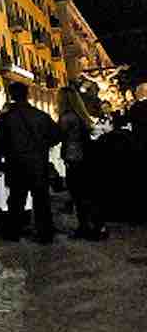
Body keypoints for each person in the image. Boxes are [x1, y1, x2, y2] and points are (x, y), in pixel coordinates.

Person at [0, 82, 62, 243]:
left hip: (15, 164)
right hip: (38, 164)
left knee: (16, 200)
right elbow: (57, 135)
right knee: (41, 201)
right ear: (27, 94)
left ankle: (13, 232)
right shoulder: (41, 115)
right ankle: (45, 233)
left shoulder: (5, 118)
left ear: (11, 96)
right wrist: (43, 146)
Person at [57, 86, 105, 240]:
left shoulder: (66, 117)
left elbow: (58, 135)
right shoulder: (82, 116)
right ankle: (98, 226)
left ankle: (86, 228)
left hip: (74, 159)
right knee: (89, 194)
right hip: (86, 158)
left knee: (78, 195)